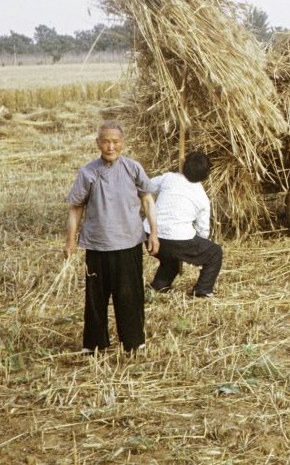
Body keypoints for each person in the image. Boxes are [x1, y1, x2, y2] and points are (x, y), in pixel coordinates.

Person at [65, 121, 158, 353]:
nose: (110, 146)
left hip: (129, 242)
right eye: (105, 141)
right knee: (95, 297)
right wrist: (70, 241)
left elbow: (147, 200)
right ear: (98, 143)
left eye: (115, 142)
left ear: (122, 143)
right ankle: (95, 344)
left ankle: (134, 342)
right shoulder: (88, 172)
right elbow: (76, 207)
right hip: (98, 244)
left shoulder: (133, 168)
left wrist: (154, 233)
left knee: (130, 295)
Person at [146, 152, 223, 298]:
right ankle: (203, 290)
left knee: (170, 258)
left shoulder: (168, 178)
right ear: (206, 175)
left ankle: (158, 286)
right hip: (177, 239)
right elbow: (203, 231)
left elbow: (147, 187)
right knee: (214, 253)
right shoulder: (202, 198)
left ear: (183, 164)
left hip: (150, 234)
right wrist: (195, 248)